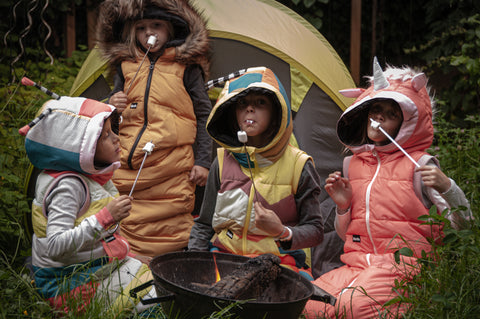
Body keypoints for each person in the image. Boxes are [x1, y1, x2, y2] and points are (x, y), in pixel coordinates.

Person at [303, 58, 472, 318]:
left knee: (349, 308)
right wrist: (343, 205)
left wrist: (447, 186)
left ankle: (410, 302)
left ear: (407, 122)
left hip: (406, 268)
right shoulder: (353, 165)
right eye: (375, 110)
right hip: (357, 265)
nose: (379, 117)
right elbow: (345, 234)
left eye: (391, 113)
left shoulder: (420, 166)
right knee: (306, 301)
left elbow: (463, 227)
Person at [96, 0, 212, 257]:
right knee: (127, 218)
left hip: (170, 164)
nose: (149, 34)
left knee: (169, 224)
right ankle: (129, 266)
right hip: (127, 163)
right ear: (132, 32)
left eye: (157, 26)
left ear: (171, 28)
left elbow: (204, 115)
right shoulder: (125, 66)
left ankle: (170, 265)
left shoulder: (185, 67)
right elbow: (111, 122)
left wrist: (203, 161)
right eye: (141, 28)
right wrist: (112, 105)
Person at [23, 96, 156, 315]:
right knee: (155, 298)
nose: (116, 138)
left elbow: (97, 243)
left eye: (113, 130)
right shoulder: (69, 186)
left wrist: (126, 257)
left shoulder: (91, 177)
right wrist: (106, 217)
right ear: (81, 146)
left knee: (155, 275)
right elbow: (56, 246)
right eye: (105, 135)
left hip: (89, 271)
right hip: (68, 285)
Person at [188, 67, 324, 279]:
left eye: (261, 102)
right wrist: (194, 266)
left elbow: (315, 231)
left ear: (277, 111)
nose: (249, 109)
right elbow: (205, 223)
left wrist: (281, 231)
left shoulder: (299, 165)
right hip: (224, 260)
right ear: (232, 112)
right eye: (242, 103)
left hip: (277, 265)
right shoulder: (222, 161)